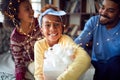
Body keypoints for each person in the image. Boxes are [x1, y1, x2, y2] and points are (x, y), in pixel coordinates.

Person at [34, 4, 91, 80]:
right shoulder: (39, 45)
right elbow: (39, 74)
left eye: (56, 24)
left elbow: (84, 58)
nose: (52, 29)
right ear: (41, 30)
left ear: (62, 27)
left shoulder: (65, 40)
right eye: (47, 25)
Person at [74, 0, 120, 80]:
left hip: (116, 68)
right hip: (96, 64)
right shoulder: (94, 22)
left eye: (110, 11)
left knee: (114, 62)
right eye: (102, 7)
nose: (103, 13)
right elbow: (79, 42)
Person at [1, 0, 43, 80]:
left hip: (46, 55)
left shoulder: (40, 23)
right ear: (17, 14)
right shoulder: (15, 38)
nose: (32, 11)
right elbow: (19, 64)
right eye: (27, 9)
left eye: (31, 7)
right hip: (31, 62)